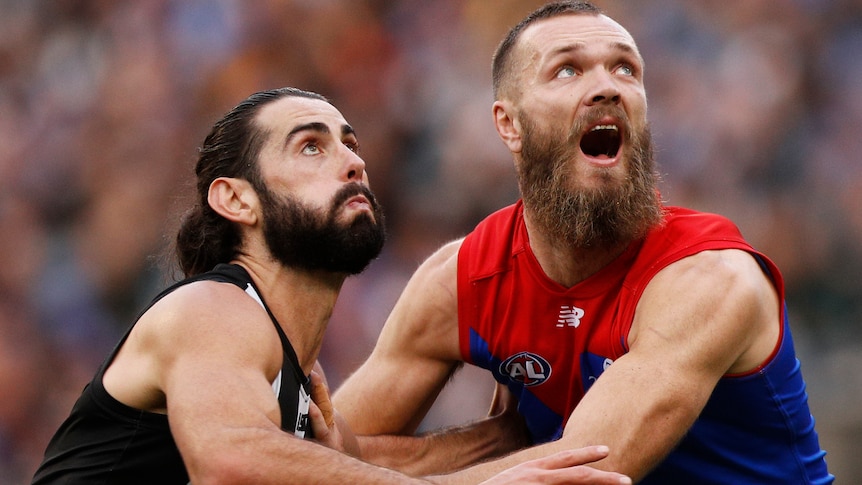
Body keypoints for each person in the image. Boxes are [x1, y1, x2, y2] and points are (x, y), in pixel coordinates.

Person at [333, 2, 835, 484]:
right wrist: (486, 445)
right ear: (509, 125)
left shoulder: (709, 278)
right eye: (567, 71)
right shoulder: (466, 278)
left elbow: (580, 473)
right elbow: (328, 449)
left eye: (625, 70)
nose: (607, 88)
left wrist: (427, 467)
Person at [31, 87, 633, 485]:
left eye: (350, 142)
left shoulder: (292, 378)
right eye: (311, 146)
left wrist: (516, 430)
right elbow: (229, 461)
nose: (351, 161)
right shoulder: (210, 307)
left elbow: (381, 462)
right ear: (236, 199)